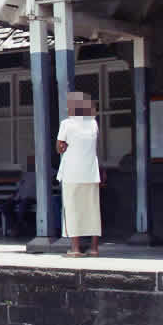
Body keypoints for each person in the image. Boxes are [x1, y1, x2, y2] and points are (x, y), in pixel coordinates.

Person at [57, 92, 102, 258]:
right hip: (91, 172)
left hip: (72, 173)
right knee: (93, 209)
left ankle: (75, 249)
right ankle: (94, 248)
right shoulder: (93, 124)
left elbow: (59, 147)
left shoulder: (66, 124)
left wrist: (66, 146)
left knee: (72, 209)